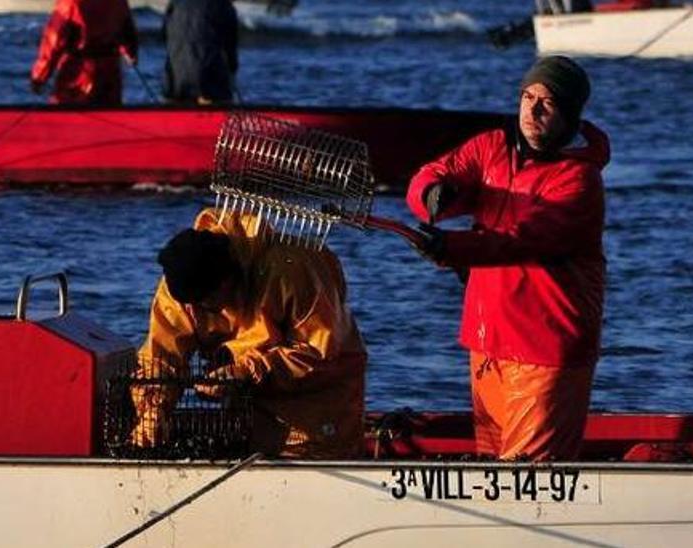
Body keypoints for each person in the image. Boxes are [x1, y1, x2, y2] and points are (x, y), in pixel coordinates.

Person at [406, 56, 610, 461]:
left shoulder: (580, 181)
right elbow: (430, 175)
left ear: (569, 114)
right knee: (490, 472)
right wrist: (432, 196)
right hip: (487, 344)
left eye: (547, 103)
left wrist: (452, 248)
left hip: (544, 353)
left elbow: (521, 241)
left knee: (527, 480)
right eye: (527, 97)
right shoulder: (491, 147)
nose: (532, 111)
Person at [131, 208, 368, 459]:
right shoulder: (180, 289)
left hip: (321, 402)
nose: (202, 310)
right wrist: (153, 410)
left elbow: (321, 352)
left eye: (208, 302)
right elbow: (162, 357)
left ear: (227, 281)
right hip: (250, 410)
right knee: (249, 460)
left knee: (317, 461)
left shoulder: (292, 269)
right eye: (194, 305)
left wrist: (245, 372)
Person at [29, 0, 139, 106]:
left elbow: (55, 39)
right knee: (110, 118)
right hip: (109, 71)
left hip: (78, 72)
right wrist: (131, 54)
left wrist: (39, 76)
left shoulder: (69, 2)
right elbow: (126, 29)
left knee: (68, 118)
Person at [162, 0, 240, 105]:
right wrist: (232, 70)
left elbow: (164, 36)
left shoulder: (175, 3)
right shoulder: (223, 4)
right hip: (208, 78)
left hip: (174, 79)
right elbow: (230, 45)